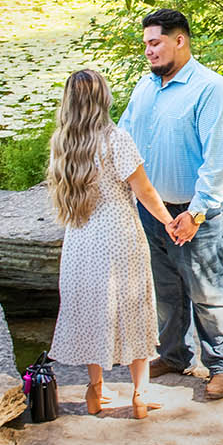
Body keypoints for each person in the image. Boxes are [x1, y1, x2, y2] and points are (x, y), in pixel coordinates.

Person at [118, 8, 223, 400]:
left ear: (179, 40)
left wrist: (195, 212)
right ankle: (173, 355)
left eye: (155, 43)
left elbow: (219, 162)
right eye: (146, 45)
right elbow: (123, 140)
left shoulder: (212, 90)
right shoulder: (145, 88)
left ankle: (222, 365)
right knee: (165, 289)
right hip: (154, 210)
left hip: (199, 212)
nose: (149, 52)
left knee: (207, 289)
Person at [47, 68, 180, 420]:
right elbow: (144, 190)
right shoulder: (115, 139)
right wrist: (169, 221)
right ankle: (139, 395)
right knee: (133, 308)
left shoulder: (63, 141)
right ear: (102, 99)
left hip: (80, 238)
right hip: (119, 236)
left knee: (93, 309)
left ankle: (95, 390)